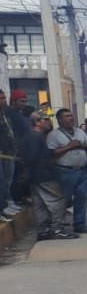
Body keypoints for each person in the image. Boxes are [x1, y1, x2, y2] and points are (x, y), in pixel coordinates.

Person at [23, 112, 76, 240]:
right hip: (43, 175)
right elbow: (32, 158)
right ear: (37, 122)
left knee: (39, 204)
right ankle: (57, 229)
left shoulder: (36, 137)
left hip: (37, 176)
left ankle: (43, 231)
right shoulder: (35, 138)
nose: (49, 123)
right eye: (45, 120)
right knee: (58, 201)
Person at [48, 108, 87, 234]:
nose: (71, 118)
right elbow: (52, 153)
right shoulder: (54, 135)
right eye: (67, 116)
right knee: (63, 199)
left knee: (82, 198)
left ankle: (79, 224)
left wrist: (81, 145)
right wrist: (69, 147)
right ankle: (58, 225)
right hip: (64, 172)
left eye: (71, 116)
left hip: (81, 171)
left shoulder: (79, 132)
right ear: (60, 120)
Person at [0, 89, 19, 219]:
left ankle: (4, 206)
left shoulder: (5, 115)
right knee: (2, 182)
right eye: (1, 98)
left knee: (8, 181)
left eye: (4, 98)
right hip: (2, 154)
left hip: (9, 153)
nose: (4, 101)